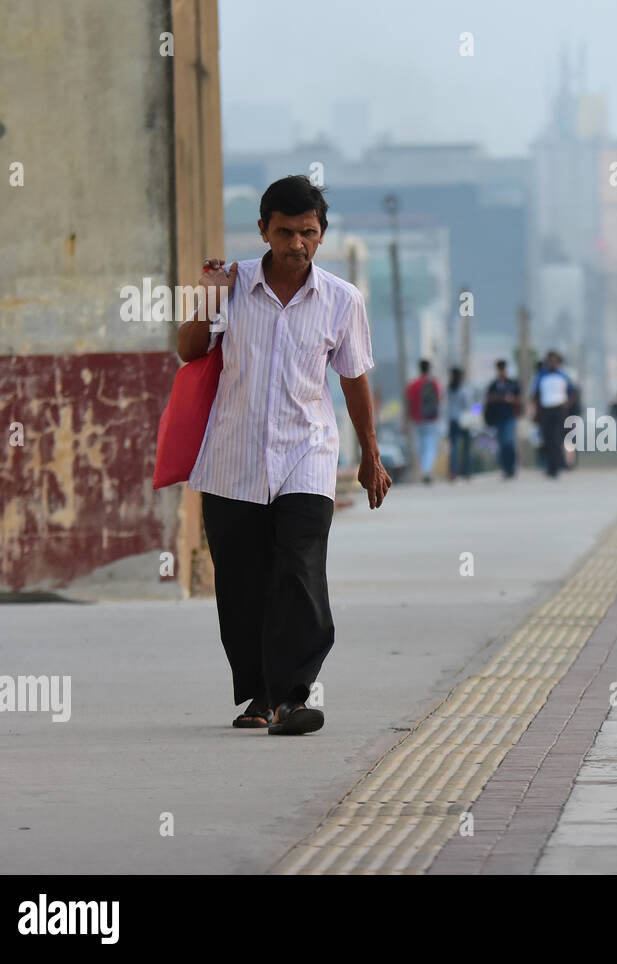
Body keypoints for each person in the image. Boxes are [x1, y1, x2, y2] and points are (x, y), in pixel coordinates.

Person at [176, 175, 389, 736]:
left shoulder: (343, 300)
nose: (297, 243)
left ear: (322, 236)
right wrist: (205, 294)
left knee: (298, 570)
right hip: (232, 457)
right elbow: (189, 351)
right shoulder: (232, 285)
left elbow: (353, 379)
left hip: (307, 454)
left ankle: (293, 696)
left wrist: (371, 453)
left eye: (309, 233)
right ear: (264, 231)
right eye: (286, 231)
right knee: (242, 581)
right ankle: (259, 697)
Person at [531, 350, 576, 478]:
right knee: (547, 438)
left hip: (559, 409)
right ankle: (550, 465)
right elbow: (535, 394)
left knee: (557, 437)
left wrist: (567, 404)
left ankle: (557, 466)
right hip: (546, 409)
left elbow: (573, 392)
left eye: (554, 361)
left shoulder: (563, 376)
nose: (552, 363)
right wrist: (536, 410)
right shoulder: (541, 376)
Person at [405, 359, 442, 483]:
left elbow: (408, 403)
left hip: (417, 419)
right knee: (430, 445)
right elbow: (439, 400)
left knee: (421, 445)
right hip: (431, 419)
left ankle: (424, 470)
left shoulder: (413, 385)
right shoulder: (434, 383)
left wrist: (408, 418)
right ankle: (427, 471)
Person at [483, 359, 521, 479]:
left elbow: (519, 399)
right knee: (502, 443)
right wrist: (498, 398)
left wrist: (510, 399)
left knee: (509, 442)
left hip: (509, 416)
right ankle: (505, 468)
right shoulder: (493, 385)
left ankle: (511, 468)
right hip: (497, 418)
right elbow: (487, 400)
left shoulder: (513, 384)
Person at [446, 367, 473, 481]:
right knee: (466, 448)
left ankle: (453, 472)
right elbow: (468, 406)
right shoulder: (464, 390)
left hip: (452, 420)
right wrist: (478, 410)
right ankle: (466, 472)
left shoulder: (449, 389)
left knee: (454, 448)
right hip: (464, 421)